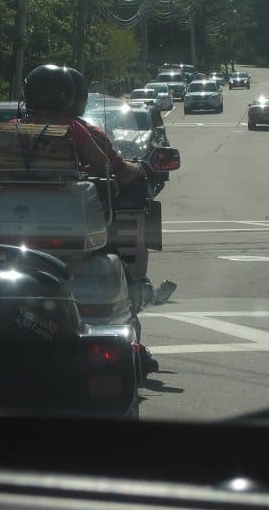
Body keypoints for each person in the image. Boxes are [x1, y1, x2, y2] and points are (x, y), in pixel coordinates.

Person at [63, 66, 160, 376]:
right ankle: (131, 333)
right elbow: (112, 167)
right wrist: (141, 170)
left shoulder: (10, 130)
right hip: (78, 230)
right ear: (76, 98)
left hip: (10, 230)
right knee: (119, 262)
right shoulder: (79, 131)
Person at [17, 64, 111, 177]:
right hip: (61, 192)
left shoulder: (13, 126)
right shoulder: (73, 127)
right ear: (68, 94)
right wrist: (80, 171)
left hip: (8, 192)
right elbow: (105, 166)